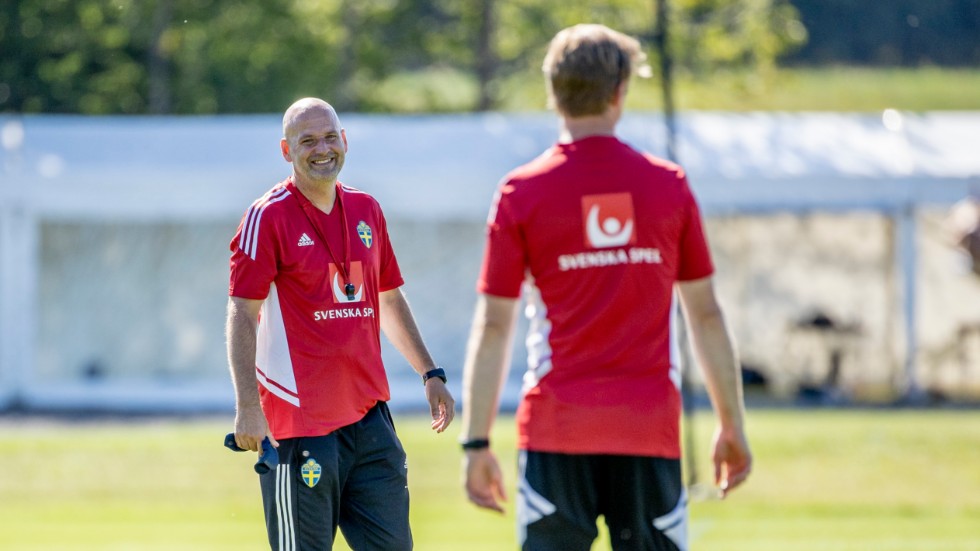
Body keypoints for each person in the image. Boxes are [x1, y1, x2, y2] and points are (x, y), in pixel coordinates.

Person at [459, 24, 752, 551]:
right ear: (620, 93)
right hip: (648, 431)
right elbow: (705, 316)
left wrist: (476, 442)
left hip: (556, 430)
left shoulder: (520, 193)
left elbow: (495, 324)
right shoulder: (669, 186)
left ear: (553, 94)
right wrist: (731, 424)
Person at [226, 97, 454, 551]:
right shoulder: (267, 216)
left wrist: (430, 373)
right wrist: (248, 406)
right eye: (307, 140)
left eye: (330, 137)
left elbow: (387, 298)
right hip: (299, 428)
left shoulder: (367, 209)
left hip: (369, 422)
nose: (322, 148)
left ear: (345, 141)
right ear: (286, 150)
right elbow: (242, 313)